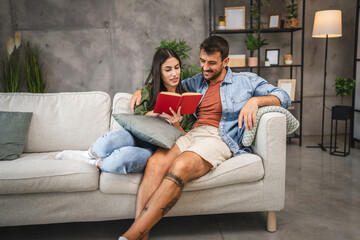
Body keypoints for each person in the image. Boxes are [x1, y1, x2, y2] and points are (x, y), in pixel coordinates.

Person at [118, 36, 291, 240]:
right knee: (155, 162)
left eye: (211, 63)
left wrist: (255, 101)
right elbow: (168, 83)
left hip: (218, 138)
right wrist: (142, 90)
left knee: (180, 166)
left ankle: (130, 236)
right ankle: (141, 236)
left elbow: (284, 97)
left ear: (225, 62)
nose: (205, 67)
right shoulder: (196, 81)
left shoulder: (246, 81)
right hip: (191, 134)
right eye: (202, 61)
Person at [56, 48, 196, 174]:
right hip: (138, 137)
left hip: (157, 150)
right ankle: (88, 154)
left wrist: (177, 125)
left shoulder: (188, 97)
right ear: (159, 71)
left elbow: (189, 137)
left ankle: (93, 162)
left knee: (126, 156)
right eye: (168, 69)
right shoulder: (149, 91)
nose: (174, 73)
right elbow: (137, 118)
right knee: (113, 139)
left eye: (177, 68)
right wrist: (155, 113)